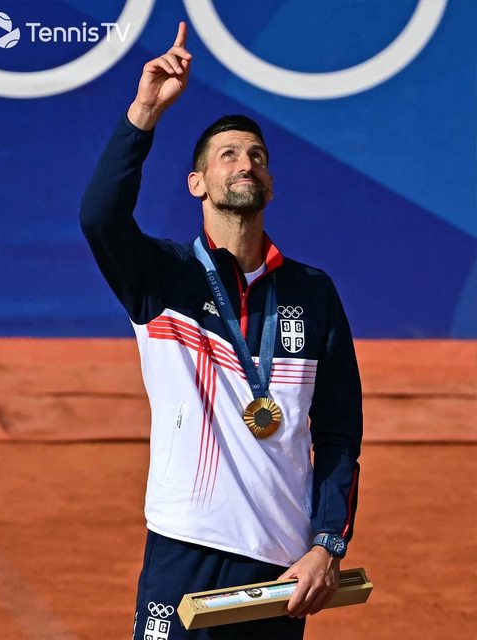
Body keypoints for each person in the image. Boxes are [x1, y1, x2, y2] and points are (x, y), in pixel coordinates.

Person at [80, 22, 362, 640]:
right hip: (183, 545)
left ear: (270, 184)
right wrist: (144, 114)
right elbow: (100, 216)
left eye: (257, 155)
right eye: (228, 154)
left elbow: (340, 432)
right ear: (197, 184)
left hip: (281, 557)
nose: (246, 162)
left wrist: (327, 543)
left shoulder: (313, 291)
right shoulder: (161, 278)